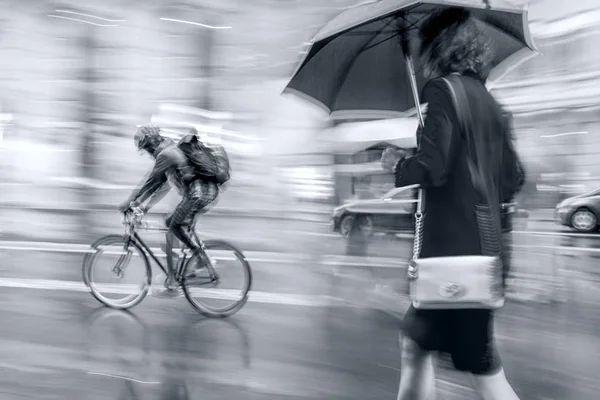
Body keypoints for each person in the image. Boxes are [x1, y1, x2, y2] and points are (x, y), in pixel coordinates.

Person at [381, 8, 524, 400]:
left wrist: (399, 163)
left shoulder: (442, 91)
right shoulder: (489, 102)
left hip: (454, 255)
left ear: (438, 48)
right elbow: (513, 179)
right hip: (485, 252)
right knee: (416, 347)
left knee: (484, 371)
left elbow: (434, 166)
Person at [120, 125, 219, 295]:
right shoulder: (169, 150)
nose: (148, 153)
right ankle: (183, 268)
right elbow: (161, 186)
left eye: (146, 148)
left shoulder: (165, 154)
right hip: (203, 193)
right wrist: (143, 207)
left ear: (151, 143)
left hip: (198, 194)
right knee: (169, 222)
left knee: (173, 227)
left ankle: (181, 275)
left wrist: (130, 202)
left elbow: (150, 182)